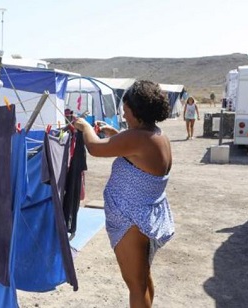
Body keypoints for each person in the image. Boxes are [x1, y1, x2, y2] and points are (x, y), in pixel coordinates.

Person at [73, 80, 175, 307]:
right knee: (142, 279)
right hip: (144, 218)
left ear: (137, 111)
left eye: (126, 111)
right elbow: (140, 155)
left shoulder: (136, 138)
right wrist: (118, 134)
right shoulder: (156, 135)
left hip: (132, 221)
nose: (124, 115)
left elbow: (95, 148)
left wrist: (85, 128)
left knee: (135, 285)